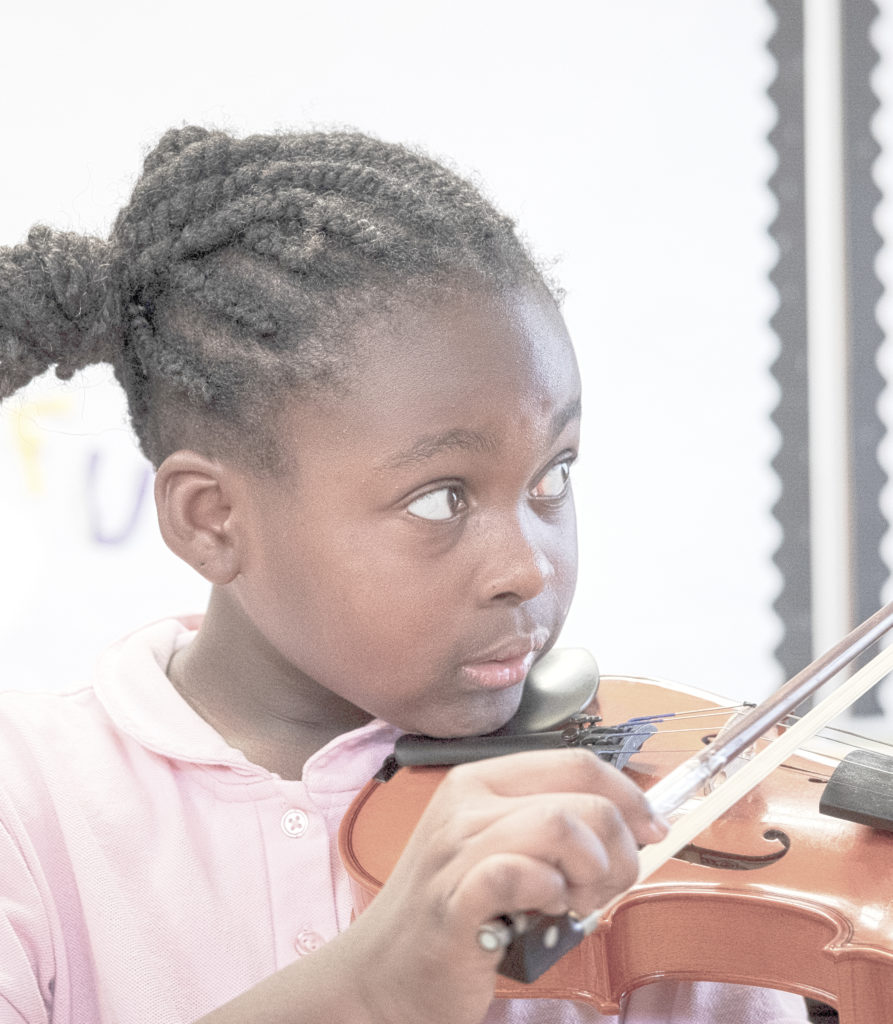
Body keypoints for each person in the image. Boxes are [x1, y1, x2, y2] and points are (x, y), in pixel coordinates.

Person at [0, 125, 808, 1024]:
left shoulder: (628, 835)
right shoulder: (28, 802)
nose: (526, 567)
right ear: (211, 519)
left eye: (552, 477)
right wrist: (375, 981)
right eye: (439, 500)